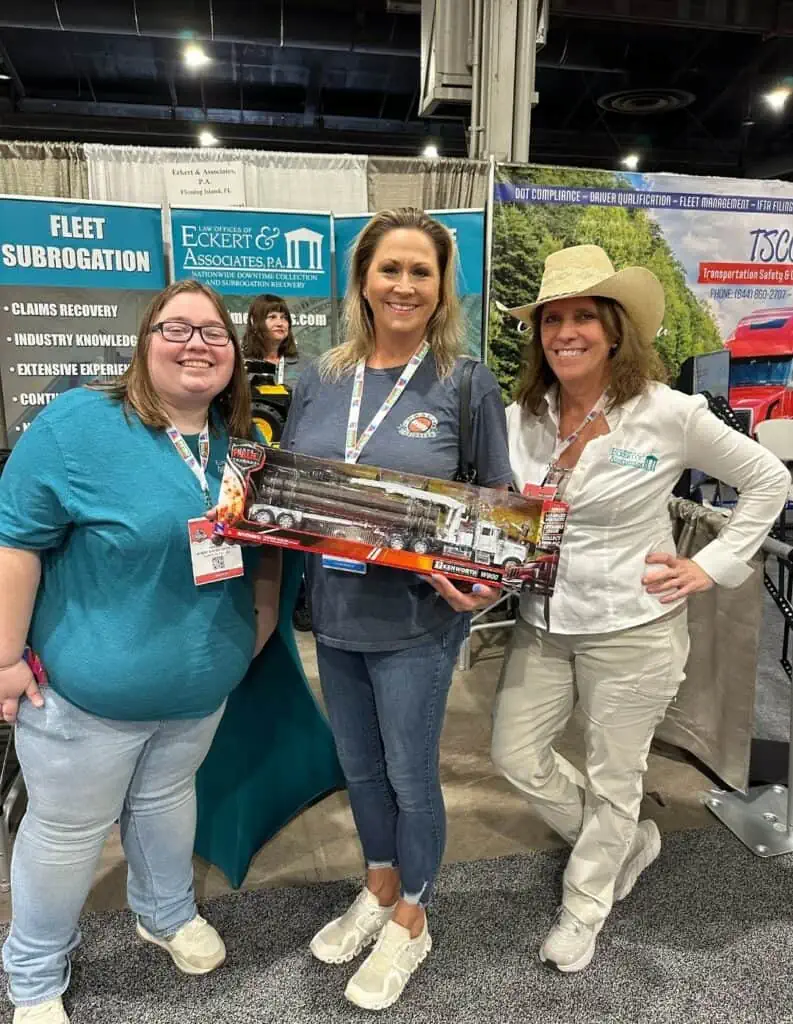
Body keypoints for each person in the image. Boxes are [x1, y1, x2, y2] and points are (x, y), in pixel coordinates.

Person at [491, 244, 790, 974]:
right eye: (551, 319)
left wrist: (708, 565)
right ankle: (623, 842)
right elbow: (505, 512)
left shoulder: (667, 413)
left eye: (582, 317)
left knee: (615, 772)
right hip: (541, 624)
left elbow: (766, 479)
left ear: (614, 329)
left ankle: (584, 902)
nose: (565, 332)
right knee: (513, 754)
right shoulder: (518, 417)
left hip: (633, 627)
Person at [0, 280, 282, 1024]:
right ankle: (32, 974)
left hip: (197, 695)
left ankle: (162, 912)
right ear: (143, 342)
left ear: (235, 351)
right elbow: (17, 544)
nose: (197, 343)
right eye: (176, 328)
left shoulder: (243, 446)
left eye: (214, 332)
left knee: (163, 804)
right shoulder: (78, 426)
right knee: (66, 837)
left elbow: (267, 552)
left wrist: (254, 622)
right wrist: (3, 658)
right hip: (82, 702)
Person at [280, 207, 512, 1010]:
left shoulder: (464, 381)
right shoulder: (320, 375)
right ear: (363, 281)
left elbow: (499, 505)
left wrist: (483, 581)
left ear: (442, 287)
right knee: (358, 768)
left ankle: (413, 919)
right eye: (390, 269)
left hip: (418, 621)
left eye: (421, 271)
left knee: (411, 775)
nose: (404, 285)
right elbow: (286, 487)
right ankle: (377, 888)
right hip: (333, 611)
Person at [242, 293, 298, 382]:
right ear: (254, 321)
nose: (280, 323)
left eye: (284, 317)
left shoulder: (306, 365)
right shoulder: (239, 364)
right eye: (272, 317)